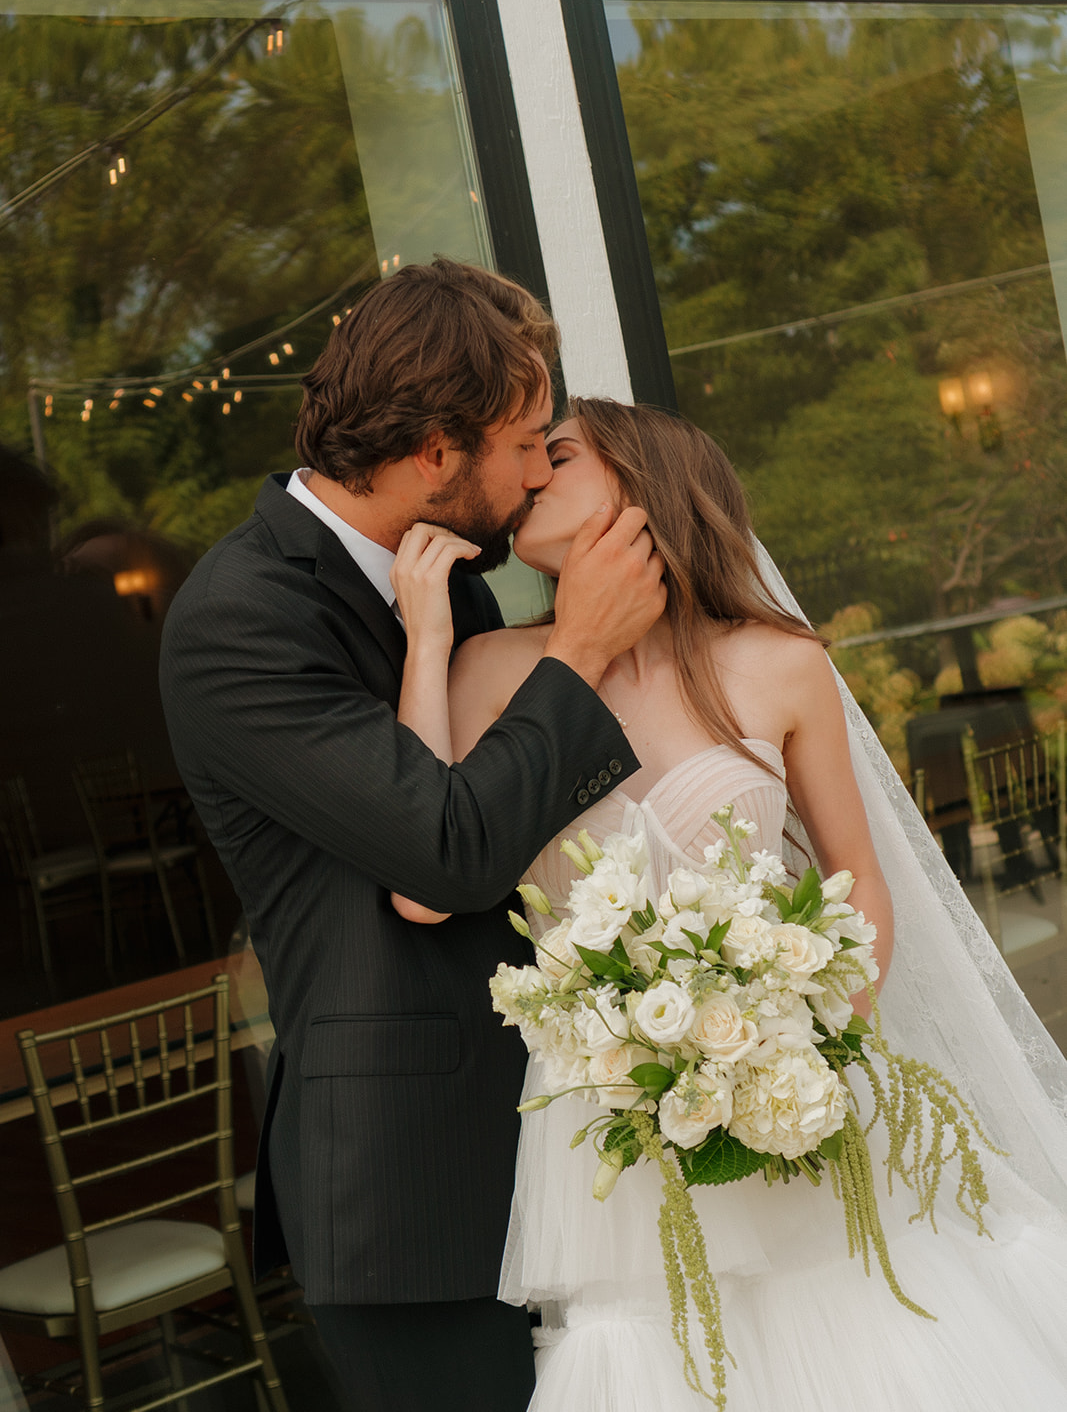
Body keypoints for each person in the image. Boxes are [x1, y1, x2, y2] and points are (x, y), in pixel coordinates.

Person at [391, 396, 1067, 1411]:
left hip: (792, 1088)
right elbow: (419, 892)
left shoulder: (778, 663)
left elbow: (858, 877)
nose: (528, 473)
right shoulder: (487, 670)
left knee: (859, 1335)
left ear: (640, 481)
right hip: (609, 1126)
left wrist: (806, 1045)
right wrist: (423, 637)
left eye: (556, 454)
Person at [158, 263, 668, 1412]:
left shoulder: (456, 585)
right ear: (437, 449)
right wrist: (579, 651)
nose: (543, 467)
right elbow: (445, 847)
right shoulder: (240, 619)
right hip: (410, 1197)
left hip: (559, 1159)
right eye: (528, 442)